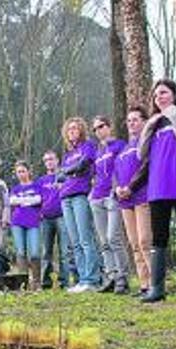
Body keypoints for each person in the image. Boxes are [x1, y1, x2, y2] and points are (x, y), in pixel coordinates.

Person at [129, 80, 176, 304]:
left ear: (174, 94)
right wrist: (149, 127)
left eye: (163, 92)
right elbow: (141, 155)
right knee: (158, 238)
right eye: (156, 94)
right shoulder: (155, 122)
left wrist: (174, 115)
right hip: (157, 188)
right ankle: (157, 288)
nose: (158, 97)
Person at [59, 117, 101, 293]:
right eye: (69, 130)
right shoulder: (68, 154)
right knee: (74, 242)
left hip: (80, 195)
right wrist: (69, 171)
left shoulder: (88, 145)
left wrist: (70, 171)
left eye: (75, 129)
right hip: (65, 197)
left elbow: (84, 164)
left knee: (85, 238)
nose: (72, 132)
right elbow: (60, 175)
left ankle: (92, 279)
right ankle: (82, 278)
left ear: (81, 130)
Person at [90, 116, 131, 294]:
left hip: (112, 196)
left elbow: (124, 168)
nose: (98, 130)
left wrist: (117, 188)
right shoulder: (98, 151)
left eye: (101, 126)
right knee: (104, 241)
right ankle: (111, 276)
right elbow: (96, 174)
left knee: (113, 237)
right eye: (95, 129)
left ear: (109, 126)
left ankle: (123, 277)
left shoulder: (119, 145)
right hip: (97, 197)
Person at [114, 107, 152, 297]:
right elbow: (116, 173)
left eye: (135, 119)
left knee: (145, 240)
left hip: (141, 196)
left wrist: (131, 186)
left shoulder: (146, 143)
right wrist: (117, 189)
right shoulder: (124, 148)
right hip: (124, 201)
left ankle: (155, 283)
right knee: (134, 243)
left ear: (144, 121)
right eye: (129, 121)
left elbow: (146, 167)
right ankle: (144, 284)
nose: (131, 123)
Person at [36, 150, 75, 289]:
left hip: (62, 216)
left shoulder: (65, 176)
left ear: (57, 160)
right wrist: (39, 213)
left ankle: (64, 282)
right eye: (46, 160)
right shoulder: (41, 181)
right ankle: (45, 283)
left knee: (65, 251)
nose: (49, 162)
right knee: (46, 252)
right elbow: (37, 200)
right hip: (46, 218)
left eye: (51, 159)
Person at [9, 161, 42, 290]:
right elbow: (12, 201)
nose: (21, 174)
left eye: (23, 171)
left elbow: (38, 199)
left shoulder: (36, 185)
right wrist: (29, 201)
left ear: (29, 171)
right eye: (18, 172)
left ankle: (37, 282)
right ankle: (23, 282)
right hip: (17, 222)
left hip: (33, 222)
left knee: (34, 253)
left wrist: (21, 201)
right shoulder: (15, 188)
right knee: (21, 252)